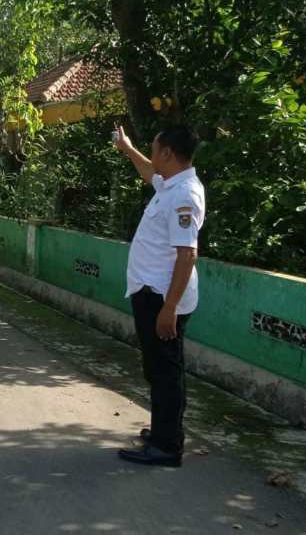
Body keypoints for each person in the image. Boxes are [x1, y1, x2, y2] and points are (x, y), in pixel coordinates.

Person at [113, 124, 205, 467]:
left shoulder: (185, 195)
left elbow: (187, 255)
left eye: (154, 147)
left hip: (163, 298)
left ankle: (168, 447)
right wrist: (127, 148)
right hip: (150, 293)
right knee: (156, 368)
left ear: (167, 152)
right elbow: (148, 173)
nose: (151, 153)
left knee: (166, 372)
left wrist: (168, 308)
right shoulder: (170, 185)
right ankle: (162, 432)